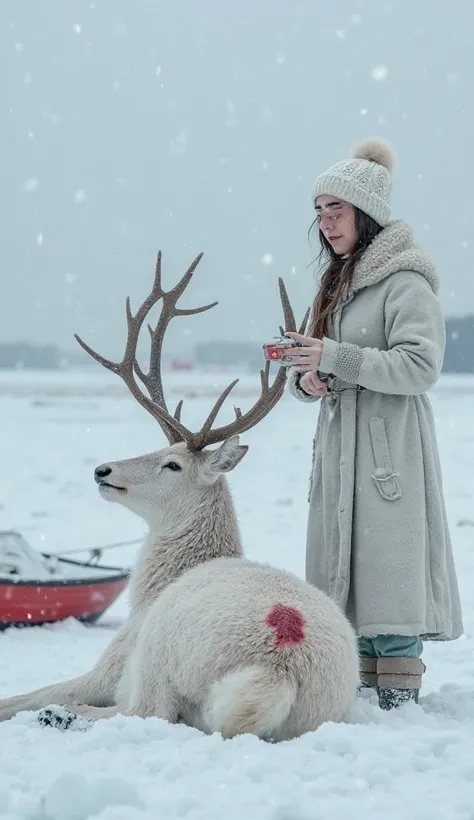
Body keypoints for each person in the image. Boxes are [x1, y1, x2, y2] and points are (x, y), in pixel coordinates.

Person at [283, 137, 463, 710]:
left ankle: (398, 702)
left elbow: (420, 366)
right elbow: (334, 363)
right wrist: (308, 378)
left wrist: (334, 359)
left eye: (335, 210)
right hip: (339, 450)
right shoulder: (337, 283)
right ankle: (357, 691)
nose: (325, 222)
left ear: (367, 214)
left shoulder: (406, 283)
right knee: (346, 579)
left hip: (390, 455)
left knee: (389, 575)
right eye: (318, 210)